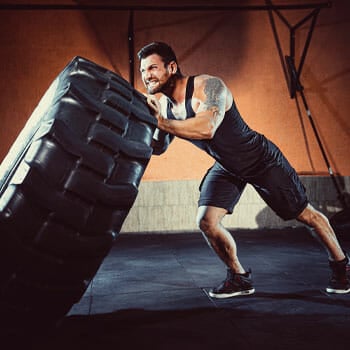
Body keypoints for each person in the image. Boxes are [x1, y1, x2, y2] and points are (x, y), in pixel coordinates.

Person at [137, 41, 349, 298]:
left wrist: (162, 122)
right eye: (143, 70)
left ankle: (341, 266)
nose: (146, 75)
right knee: (206, 222)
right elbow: (159, 148)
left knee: (305, 214)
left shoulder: (210, 86)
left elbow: (207, 128)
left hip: (261, 160)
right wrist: (153, 122)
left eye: (152, 68)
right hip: (227, 166)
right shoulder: (168, 108)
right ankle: (239, 277)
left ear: (171, 67)